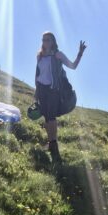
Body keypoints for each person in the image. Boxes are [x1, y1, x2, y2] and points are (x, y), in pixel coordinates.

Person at [35, 31, 86, 162]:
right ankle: (50, 142)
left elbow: (73, 66)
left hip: (53, 90)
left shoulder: (58, 55)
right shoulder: (39, 55)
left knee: (51, 117)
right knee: (46, 117)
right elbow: (38, 74)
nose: (44, 42)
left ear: (52, 41)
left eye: (47, 40)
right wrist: (36, 91)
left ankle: (54, 144)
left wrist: (80, 53)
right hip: (42, 89)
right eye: (43, 39)